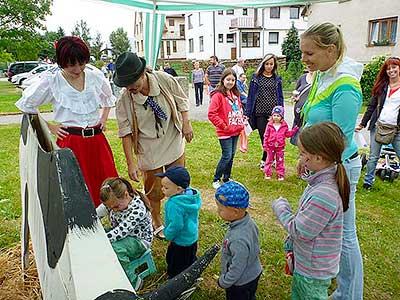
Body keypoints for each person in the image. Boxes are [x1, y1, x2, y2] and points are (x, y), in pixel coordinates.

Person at [300, 22, 364, 300]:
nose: (303, 59)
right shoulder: (325, 75)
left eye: (309, 53)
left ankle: (350, 295)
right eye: (303, 53)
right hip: (322, 166)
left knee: (346, 235)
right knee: (334, 231)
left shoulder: (346, 85)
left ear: (331, 50)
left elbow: (341, 139)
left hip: (338, 168)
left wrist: (315, 164)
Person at [15, 36, 118, 207]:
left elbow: (108, 98)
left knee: (107, 184)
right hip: (71, 142)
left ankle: (107, 221)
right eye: (71, 65)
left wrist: (103, 119)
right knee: (73, 188)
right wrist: (51, 127)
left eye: (81, 63)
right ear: (62, 62)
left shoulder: (95, 76)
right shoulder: (52, 81)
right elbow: (27, 105)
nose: (77, 69)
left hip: (97, 141)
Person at [113, 52, 194, 240]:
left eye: (134, 83)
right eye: (127, 85)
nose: (131, 88)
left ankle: (180, 214)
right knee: (154, 189)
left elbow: (182, 101)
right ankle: (156, 219)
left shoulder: (164, 79)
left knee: (178, 183)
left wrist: (186, 122)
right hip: (148, 148)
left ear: (142, 74)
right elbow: (125, 133)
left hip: (172, 140)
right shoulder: (125, 100)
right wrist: (131, 163)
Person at [272, 122, 350, 300]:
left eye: (302, 154)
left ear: (319, 158)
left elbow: (300, 231)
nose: (300, 158)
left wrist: (280, 207)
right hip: (309, 264)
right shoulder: (323, 179)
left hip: (312, 271)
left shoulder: (324, 194)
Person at [97, 177, 153, 288]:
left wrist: (102, 241)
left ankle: (133, 282)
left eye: (116, 207)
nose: (114, 210)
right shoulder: (114, 202)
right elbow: (95, 215)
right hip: (123, 235)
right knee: (100, 233)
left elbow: (121, 231)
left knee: (115, 249)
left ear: (126, 195)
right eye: (110, 208)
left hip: (139, 240)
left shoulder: (137, 209)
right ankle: (109, 266)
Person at [356, 57, 400, 190]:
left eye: (394, 67)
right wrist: (362, 124)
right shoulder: (382, 86)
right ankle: (368, 182)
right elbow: (371, 106)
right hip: (378, 126)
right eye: (388, 68)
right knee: (373, 156)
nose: (391, 70)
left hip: (396, 129)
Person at [215, 181, 262, 300]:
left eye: (220, 209)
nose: (218, 212)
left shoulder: (238, 239)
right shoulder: (249, 222)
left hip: (241, 282)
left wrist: (224, 281)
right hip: (253, 272)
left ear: (235, 212)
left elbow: (238, 267)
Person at [154, 166, 201, 279]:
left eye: (166, 188)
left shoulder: (174, 204)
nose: (162, 189)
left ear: (178, 189)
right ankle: (194, 273)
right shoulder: (192, 197)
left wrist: (168, 234)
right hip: (192, 236)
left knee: (175, 261)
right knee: (190, 257)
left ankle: (175, 279)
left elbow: (176, 225)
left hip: (179, 241)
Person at [245, 53, 284, 170]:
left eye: (271, 64)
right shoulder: (256, 78)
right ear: (263, 64)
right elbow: (250, 96)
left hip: (274, 114)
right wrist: (247, 113)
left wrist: (281, 113)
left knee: (274, 137)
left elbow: (280, 96)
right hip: (260, 112)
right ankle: (266, 159)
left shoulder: (277, 79)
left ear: (274, 65)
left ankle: (268, 159)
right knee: (265, 137)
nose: (269, 66)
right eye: (267, 64)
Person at [208, 68, 244, 189]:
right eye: (228, 79)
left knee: (232, 155)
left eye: (233, 80)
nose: (230, 82)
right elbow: (212, 114)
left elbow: (238, 108)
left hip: (236, 129)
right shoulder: (218, 95)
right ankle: (216, 179)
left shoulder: (235, 94)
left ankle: (226, 178)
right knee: (227, 155)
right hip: (225, 131)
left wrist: (242, 118)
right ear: (223, 80)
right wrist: (224, 125)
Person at [263, 106, 298, 180]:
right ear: (272, 116)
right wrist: (265, 145)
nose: (276, 117)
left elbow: (287, 134)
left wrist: (294, 130)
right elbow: (266, 135)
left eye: (278, 116)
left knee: (280, 161)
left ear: (281, 117)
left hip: (280, 147)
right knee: (269, 160)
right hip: (270, 146)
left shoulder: (284, 126)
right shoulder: (269, 125)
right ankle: (267, 173)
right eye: (274, 115)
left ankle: (280, 174)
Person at [290, 70, 315, 146]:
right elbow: (296, 91)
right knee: (299, 144)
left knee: (307, 144)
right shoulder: (302, 78)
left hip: (309, 119)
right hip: (298, 117)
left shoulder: (319, 79)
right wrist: (294, 98)